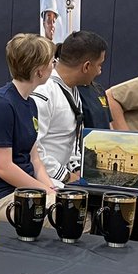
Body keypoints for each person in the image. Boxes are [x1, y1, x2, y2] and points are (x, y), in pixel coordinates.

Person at [0, 33, 59, 219]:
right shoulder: (1, 106)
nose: (54, 66)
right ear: (39, 71)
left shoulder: (30, 104)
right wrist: (45, 191)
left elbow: (34, 159)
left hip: (26, 191)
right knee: (69, 216)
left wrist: (50, 188)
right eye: (52, 62)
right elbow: (3, 167)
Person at [33, 30, 108, 182]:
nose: (100, 71)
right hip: (42, 179)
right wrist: (66, 177)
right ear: (86, 66)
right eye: (99, 65)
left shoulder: (72, 90)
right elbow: (33, 148)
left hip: (61, 174)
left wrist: (77, 168)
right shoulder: (44, 91)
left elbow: (71, 140)